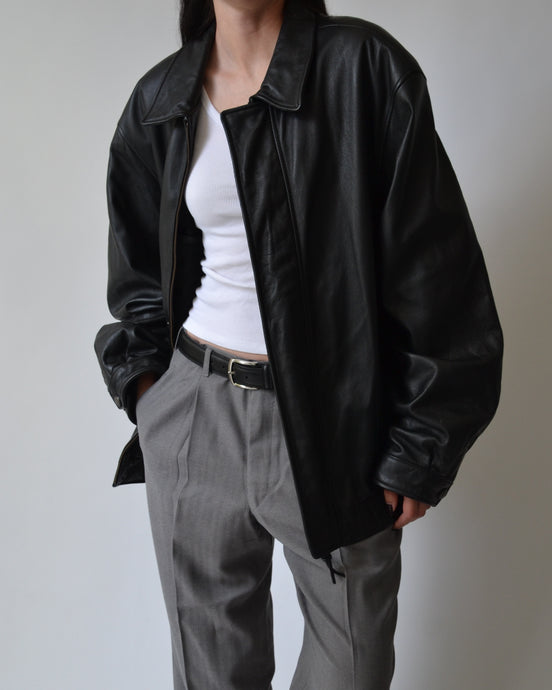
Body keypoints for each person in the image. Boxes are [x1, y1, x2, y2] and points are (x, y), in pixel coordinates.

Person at [94, 0, 503, 688]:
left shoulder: (364, 68)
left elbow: (437, 271)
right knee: (209, 671)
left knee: (353, 663)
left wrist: (420, 447)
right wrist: (150, 395)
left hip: (334, 420)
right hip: (194, 413)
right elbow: (136, 268)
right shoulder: (160, 99)